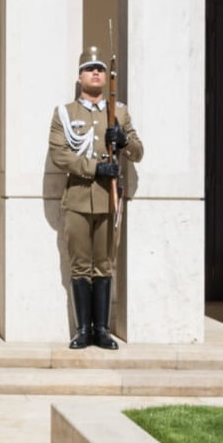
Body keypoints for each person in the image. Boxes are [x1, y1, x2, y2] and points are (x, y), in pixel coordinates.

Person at [47, 45, 144, 350]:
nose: (96, 73)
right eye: (91, 69)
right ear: (80, 76)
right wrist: (93, 166)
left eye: (100, 69)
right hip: (77, 198)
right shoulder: (65, 113)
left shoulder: (120, 112)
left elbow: (138, 152)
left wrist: (124, 140)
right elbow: (59, 154)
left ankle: (101, 330)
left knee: (104, 265)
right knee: (80, 266)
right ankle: (82, 330)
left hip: (108, 199)